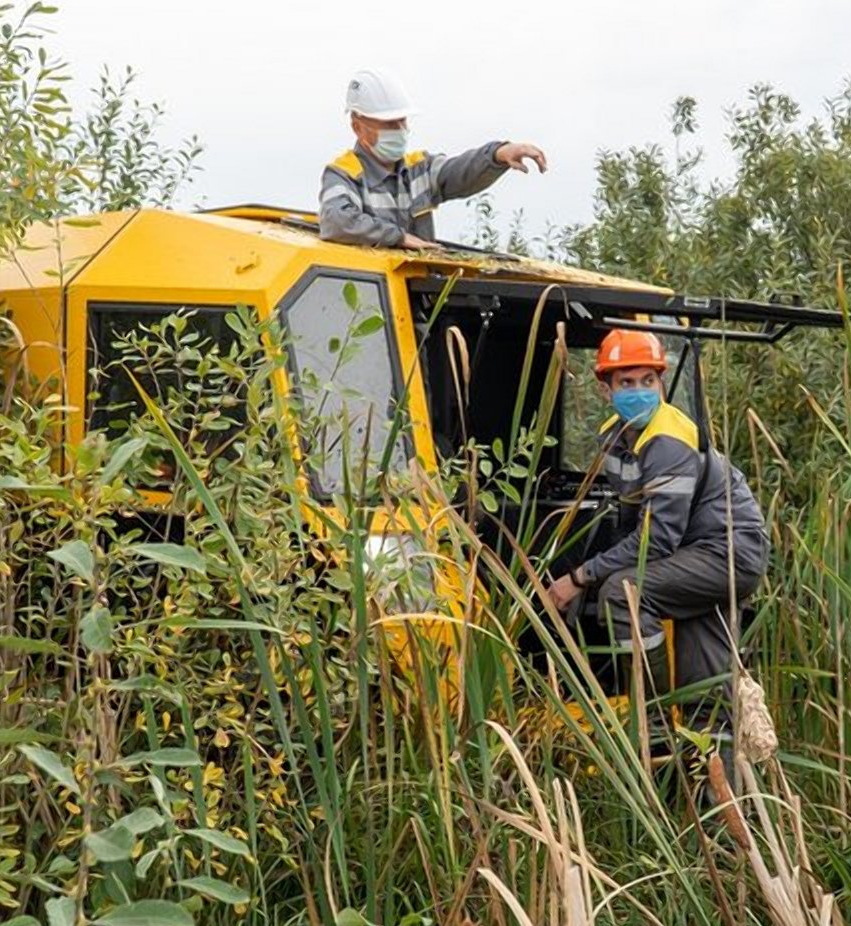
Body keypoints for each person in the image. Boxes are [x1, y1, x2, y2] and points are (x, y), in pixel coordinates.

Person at [545, 329, 770, 734]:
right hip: (694, 555)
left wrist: (580, 578)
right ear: (605, 390)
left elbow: (657, 540)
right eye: (626, 382)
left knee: (623, 592)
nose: (639, 391)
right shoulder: (617, 437)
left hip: (726, 552)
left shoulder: (667, 440)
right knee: (706, 694)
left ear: (661, 383)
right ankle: (710, 787)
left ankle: (655, 719)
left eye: (648, 381)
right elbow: (632, 521)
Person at [318, 68, 548, 250]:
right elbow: (337, 221)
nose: (400, 129)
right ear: (358, 127)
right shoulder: (343, 174)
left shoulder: (419, 168)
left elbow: (460, 171)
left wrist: (498, 154)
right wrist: (398, 237)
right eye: (389, 123)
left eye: (403, 121)